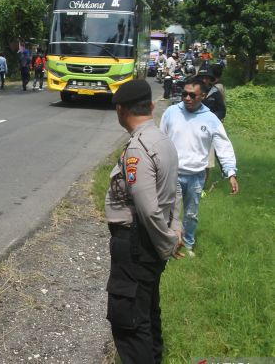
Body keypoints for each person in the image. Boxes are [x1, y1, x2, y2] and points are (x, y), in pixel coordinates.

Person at [105, 80, 183, 364]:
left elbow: (148, 209)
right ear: (151, 106)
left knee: (129, 320)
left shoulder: (138, 148)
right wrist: (175, 229)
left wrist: (167, 242)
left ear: (120, 110)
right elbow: (175, 191)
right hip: (152, 240)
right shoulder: (164, 140)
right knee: (147, 310)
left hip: (138, 243)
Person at [160, 77, 239, 256]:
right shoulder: (171, 112)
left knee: (191, 214)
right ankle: (168, 246)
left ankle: (187, 245)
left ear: (202, 96)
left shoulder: (210, 119)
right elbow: (159, 139)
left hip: (196, 176)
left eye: (192, 95)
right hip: (172, 174)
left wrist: (231, 172)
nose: (187, 98)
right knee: (170, 212)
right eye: (184, 94)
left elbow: (223, 146)